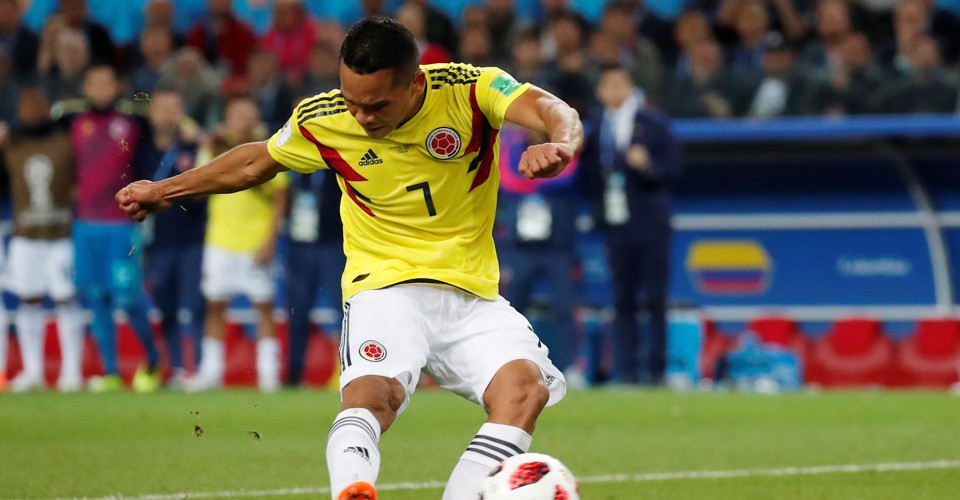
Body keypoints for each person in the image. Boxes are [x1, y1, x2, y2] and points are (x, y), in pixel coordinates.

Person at [116, 16, 582, 500]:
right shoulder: (324, 118)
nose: (361, 116)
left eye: (377, 105)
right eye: (352, 101)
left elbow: (553, 108)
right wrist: (165, 190)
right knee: (373, 397)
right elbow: (257, 161)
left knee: (524, 391)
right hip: (384, 288)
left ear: (414, 83)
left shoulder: (470, 91)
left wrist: (561, 143)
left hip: (472, 294)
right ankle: (352, 491)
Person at [579, 64, 681, 385]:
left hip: (650, 222)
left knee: (655, 299)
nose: (613, 90)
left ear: (630, 87)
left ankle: (656, 371)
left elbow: (673, 168)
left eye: (619, 83)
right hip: (616, 222)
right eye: (607, 84)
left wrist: (647, 165)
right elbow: (589, 175)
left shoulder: (653, 121)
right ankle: (629, 372)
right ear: (599, 92)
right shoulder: (597, 127)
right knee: (622, 300)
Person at [185, 96, 288, 393]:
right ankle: (211, 372)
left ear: (256, 117)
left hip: (256, 241)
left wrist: (270, 240)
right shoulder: (214, 148)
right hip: (220, 241)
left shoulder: (271, 147)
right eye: (237, 114)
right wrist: (212, 149)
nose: (242, 119)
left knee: (263, 306)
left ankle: (268, 376)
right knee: (215, 306)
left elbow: (280, 196)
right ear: (226, 118)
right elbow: (199, 187)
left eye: (247, 114)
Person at [72, 65, 161, 393]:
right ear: (85, 87)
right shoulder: (73, 123)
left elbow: (149, 165)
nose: (100, 89)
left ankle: (153, 362)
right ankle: (110, 372)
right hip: (85, 225)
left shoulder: (134, 124)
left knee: (128, 298)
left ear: (117, 86)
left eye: (106, 82)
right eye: (94, 82)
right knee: (97, 298)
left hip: (121, 225)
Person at [1, 86, 86, 393]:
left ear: (48, 107)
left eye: (38, 104)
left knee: (66, 299)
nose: (33, 111)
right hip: (25, 238)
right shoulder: (10, 144)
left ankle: (72, 372)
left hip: (61, 236)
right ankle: (33, 371)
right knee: (28, 301)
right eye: (27, 105)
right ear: (19, 111)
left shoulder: (65, 140)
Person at [139, 89, 206, 388]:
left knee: (195, 304)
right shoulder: (140, 150)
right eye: (161, 108)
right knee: (165, 307)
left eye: (173, 108)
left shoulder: (195, 147)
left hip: (193, 240)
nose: (167, 114)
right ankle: (178, 367)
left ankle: (201, 368)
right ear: (151, 113)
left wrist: (200, 139)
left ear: (183, 113)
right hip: (157, 244)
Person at [283, 168, 344, 388]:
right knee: (297, 311)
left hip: (333, 244)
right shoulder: (295, 167)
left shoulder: (335, 165)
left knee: (342, 310)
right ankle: (294, 372)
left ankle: (347, 369)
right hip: (300, 244)